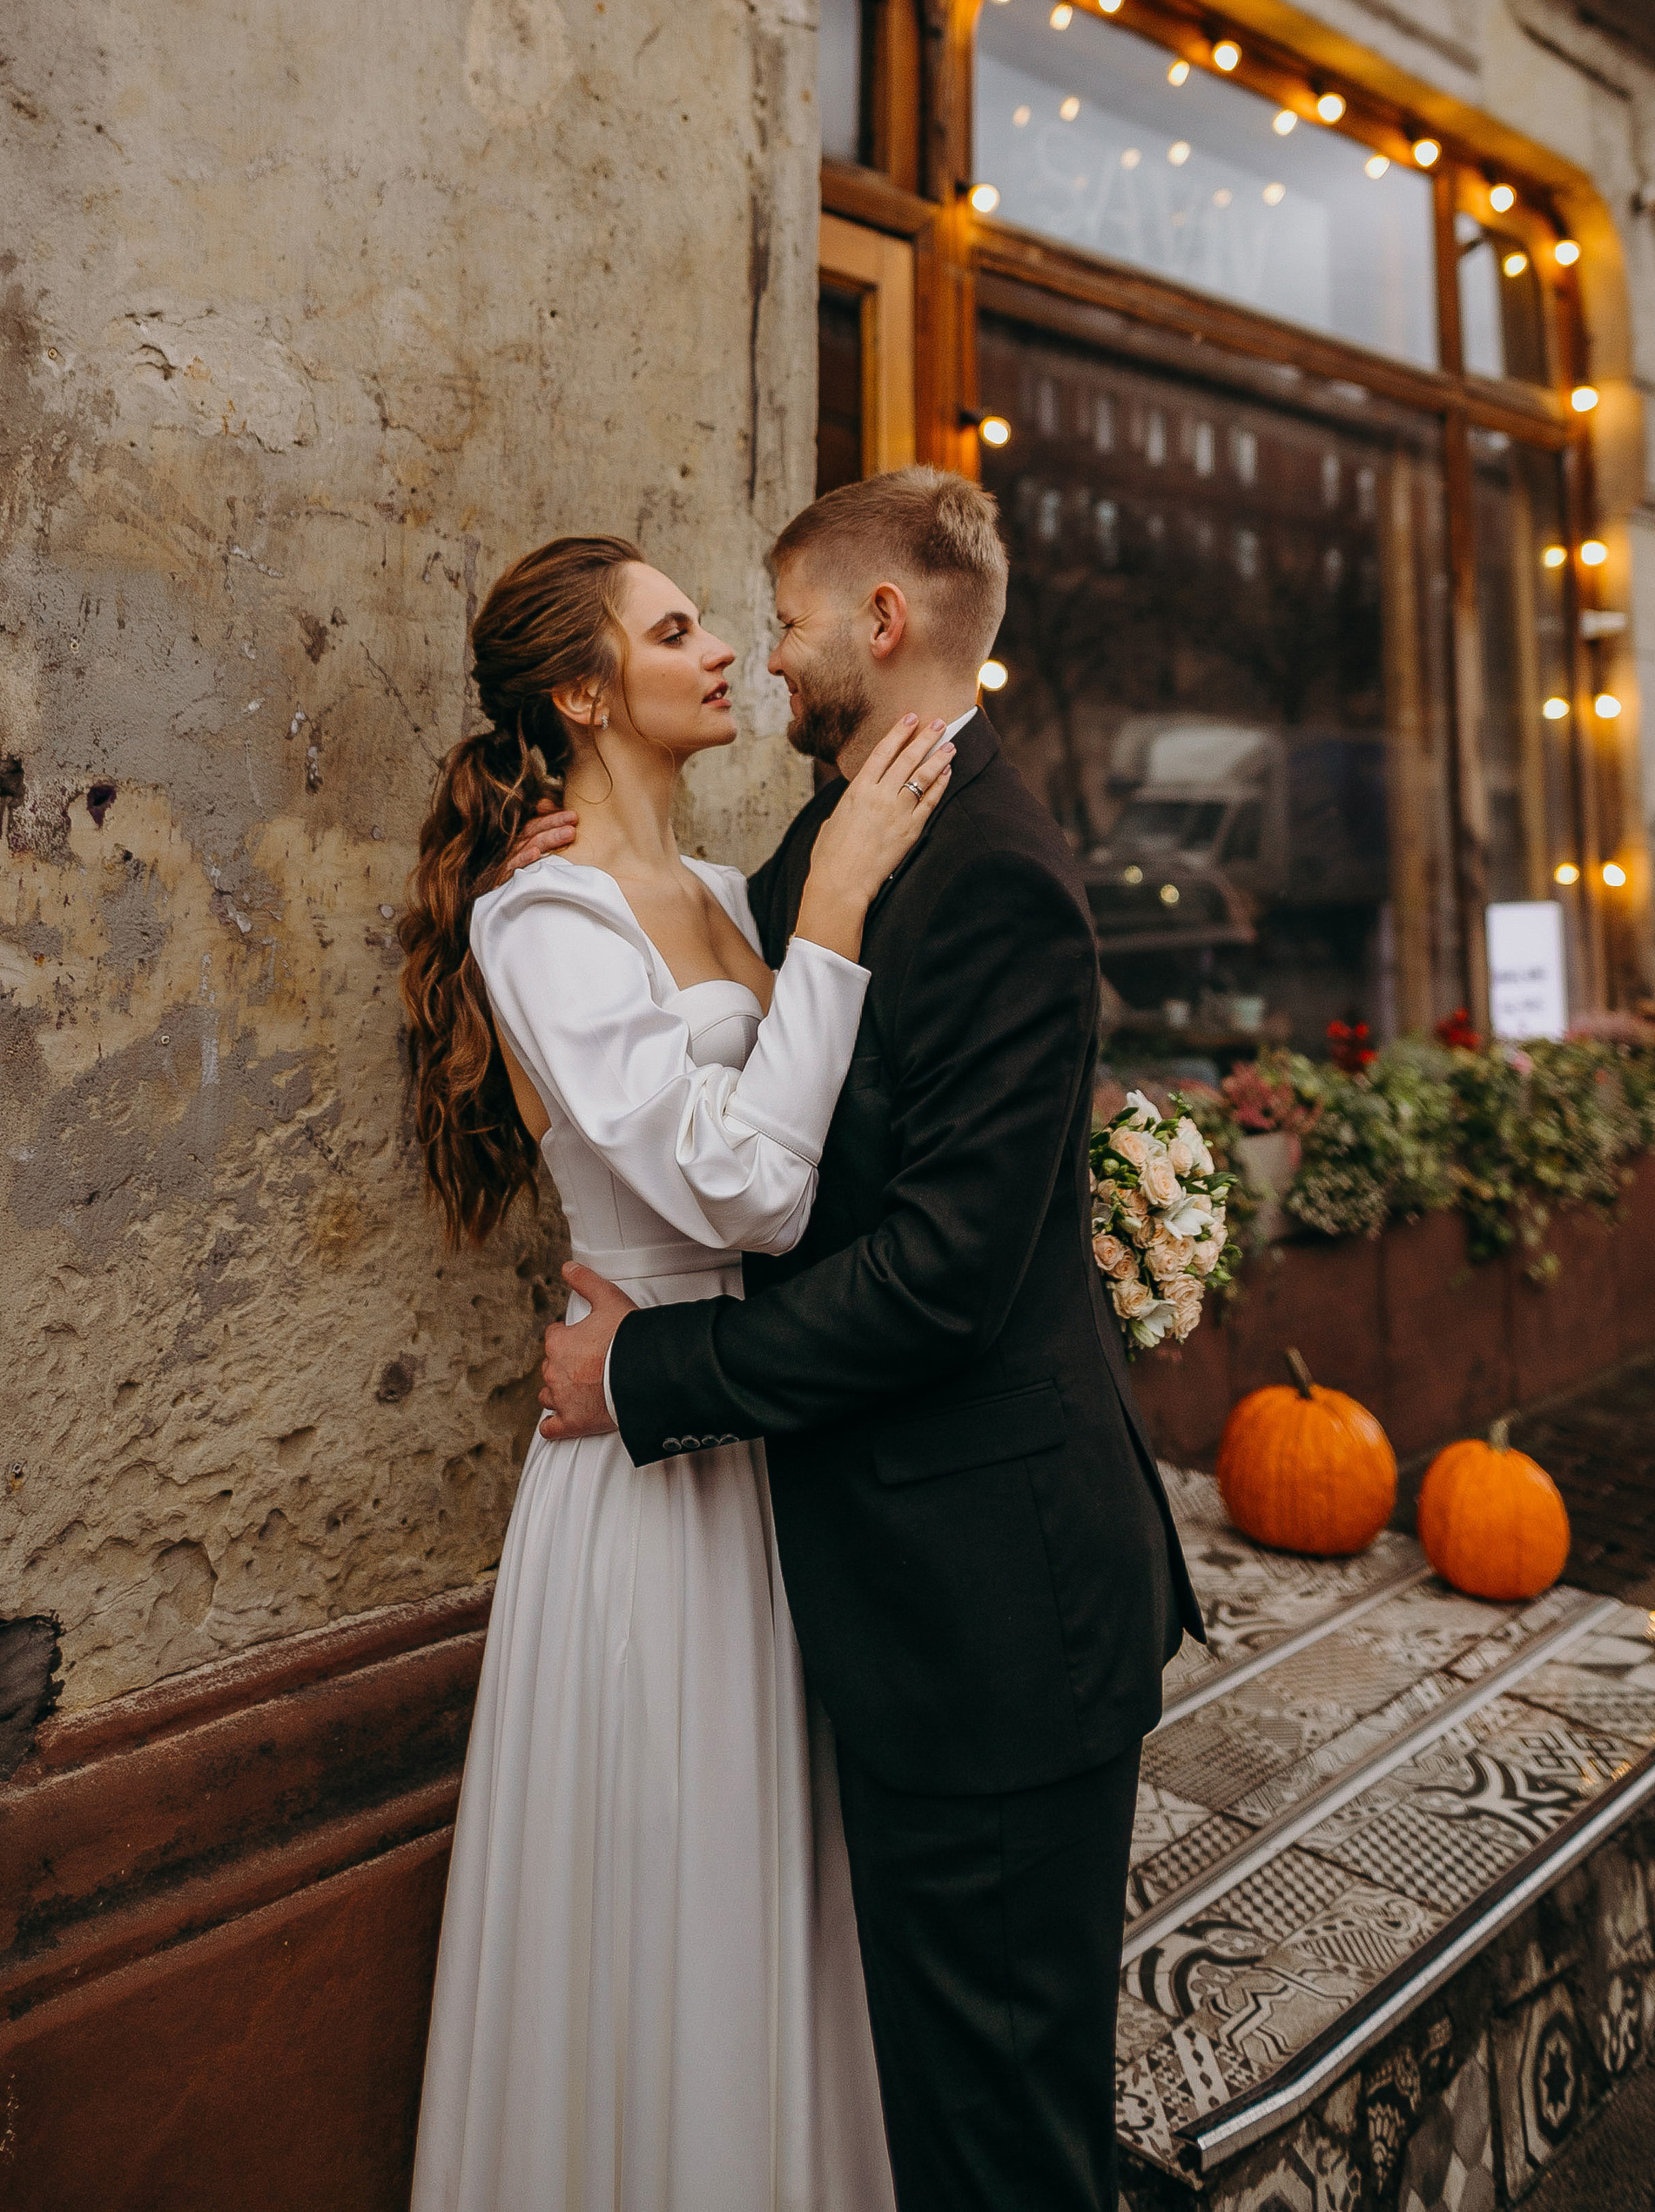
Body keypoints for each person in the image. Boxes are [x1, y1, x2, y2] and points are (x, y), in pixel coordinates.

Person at [534, 468, 1205, 2212]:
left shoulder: (991, 874)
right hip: (900, 1600)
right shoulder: (840, 850)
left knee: (997, 2142)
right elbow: (749, 980)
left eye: (789, 619)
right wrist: (591, 881)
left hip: (993, 1616)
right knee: (944, 2099)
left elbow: (936, 1281)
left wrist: (641, 1376)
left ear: (882, 626)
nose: (768, 655)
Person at [400, 530, 953, 2212]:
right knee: (676, 1877)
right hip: (644, 1468)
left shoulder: (719, 897)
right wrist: (846, 901)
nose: (722, 649)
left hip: (772, 1435)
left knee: (782, 1882)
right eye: (677, 628)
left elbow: (822, 1142)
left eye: (719, 624)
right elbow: (746, 1186)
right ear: (583, 690)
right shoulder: (544, 918)